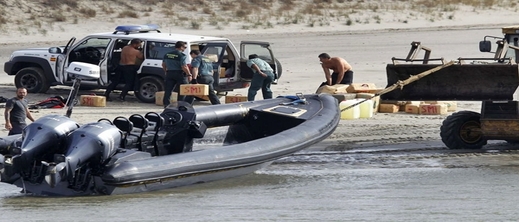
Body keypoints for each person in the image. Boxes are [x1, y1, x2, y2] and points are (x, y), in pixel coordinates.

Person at [162, 41, 192, 107]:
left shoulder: (167, 54)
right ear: (181, 47)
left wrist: (166, 71)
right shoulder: (181, 55)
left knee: (168, 90)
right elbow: (184, 66)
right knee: (182, 90)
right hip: (180, 73)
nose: (185, 49)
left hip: (170, 73)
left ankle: (166, 104)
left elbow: (163, 64)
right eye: (185, 47)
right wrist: (189, 74)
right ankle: (180, 105)